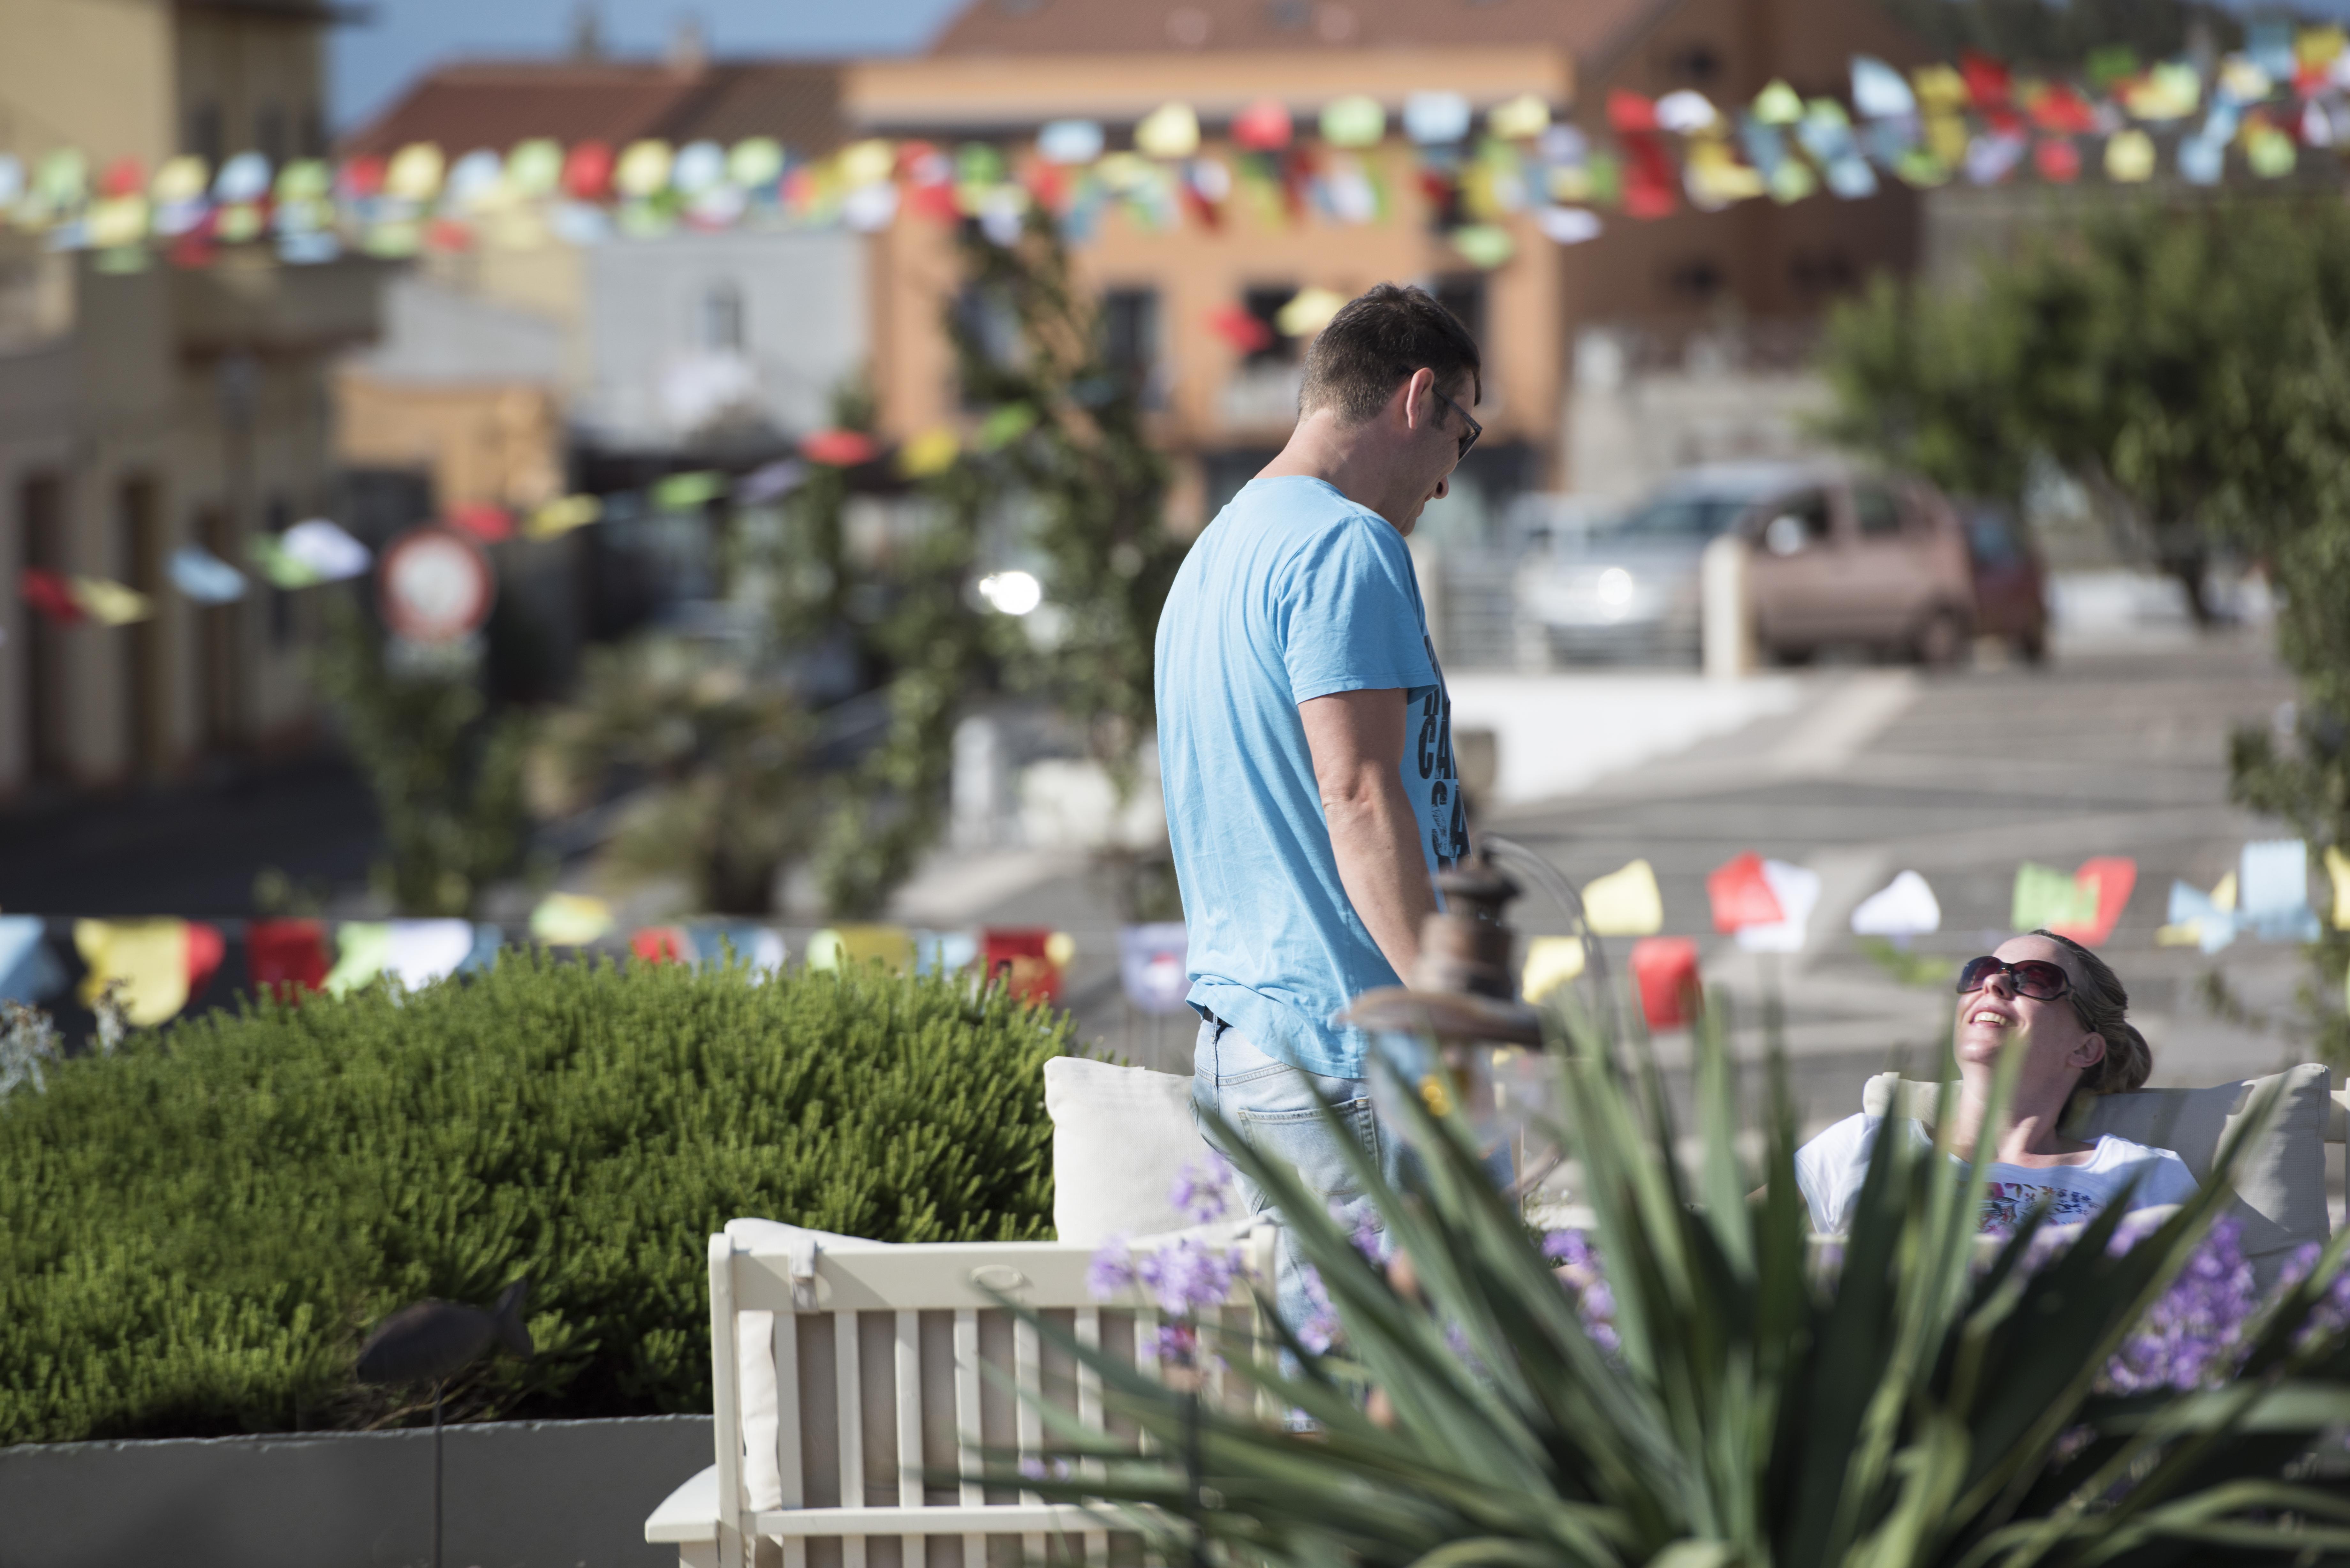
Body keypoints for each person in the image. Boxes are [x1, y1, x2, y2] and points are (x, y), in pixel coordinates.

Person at [1156, 283, 1480, 1322]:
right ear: (1418, 397)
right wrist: (1451, 1010)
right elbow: (1358, 795)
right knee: (1402, 1401)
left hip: (1250, 1044)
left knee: (1323, 1402)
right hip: (1346, 1053)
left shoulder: (1213, 556)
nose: (1443, 487)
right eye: (1463, 438)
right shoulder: (1346, 547)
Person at [1795, 930, 2197, 1234]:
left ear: (2085, 1049)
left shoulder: (2143, 1174)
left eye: (2036, 979)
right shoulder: (1863, 1145)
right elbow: (1735, 1243)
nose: (1993, 984)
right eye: (1980, 972)